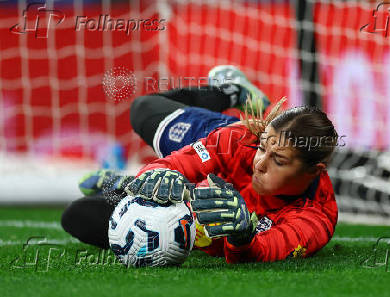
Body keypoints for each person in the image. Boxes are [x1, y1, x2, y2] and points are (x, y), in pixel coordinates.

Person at [61, 65, 338, 263]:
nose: (260, 164)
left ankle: (124, 186)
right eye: (263, 148)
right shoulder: (240, 140)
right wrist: (157, 175)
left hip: (190, 217)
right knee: (143, 109)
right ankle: (230, 92)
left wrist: (242, 237)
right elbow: (170, 165)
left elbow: (261, 252)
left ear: (313, 171)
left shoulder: (315, 220)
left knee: (80, 215)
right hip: (215, 140)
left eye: (278, 160)